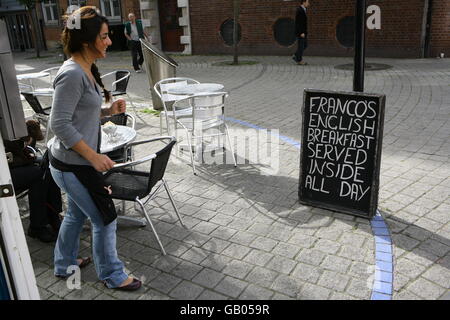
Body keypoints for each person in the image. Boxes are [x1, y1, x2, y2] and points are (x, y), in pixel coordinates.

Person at [49, 6, 141, 291]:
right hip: (73, 165)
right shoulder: (72, 74)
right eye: (104, 36)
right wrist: (94, 156)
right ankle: (112, 275)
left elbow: (79, 112)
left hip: (73, 163)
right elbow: (59, 124)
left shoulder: (84, 69)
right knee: (105, 218)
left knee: (77, 215)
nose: (110, 41)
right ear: (87, 41)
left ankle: (64, 264)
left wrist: (107, 109)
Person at [4, 120, 62, 243]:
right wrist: (28, 160)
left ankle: (52, 215)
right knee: (39, 174)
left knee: (47, 169)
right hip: (5, 171)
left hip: (11, 163)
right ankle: (40, 224)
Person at [293, 0, 310, 65]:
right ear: (304, 2)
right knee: (301, 46)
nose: (308, 4)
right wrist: (301, 32)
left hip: (303, 32)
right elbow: (298, 23)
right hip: (301, 33)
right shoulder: (299, 10)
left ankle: (296, 55)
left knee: (305, 45)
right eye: (307, 2)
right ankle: (299, 60)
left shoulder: (304, 9)